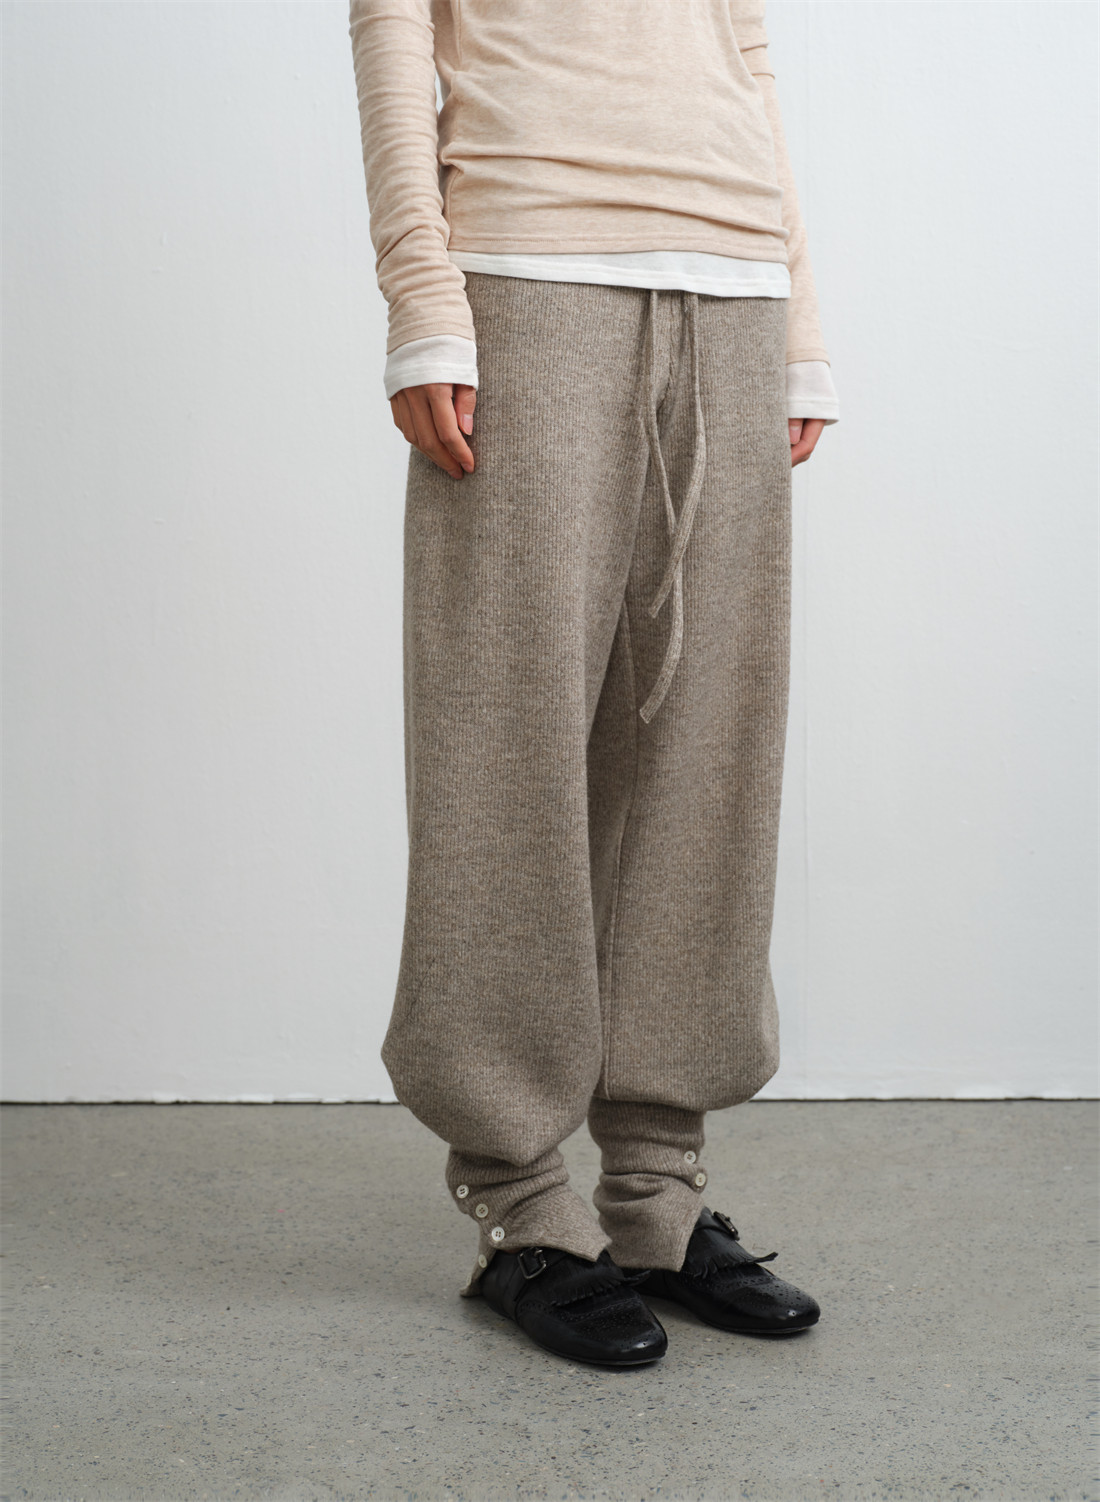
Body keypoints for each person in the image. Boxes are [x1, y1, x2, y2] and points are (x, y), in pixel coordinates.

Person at [348, 0, 838, 1368]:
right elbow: (392, 27)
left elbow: (742, 50)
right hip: (530, 264)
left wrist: (800, 316)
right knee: (504, 732)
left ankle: (656, 1197)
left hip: (733, 281)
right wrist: (422, 300)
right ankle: (521, 1205)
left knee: (708, 741)